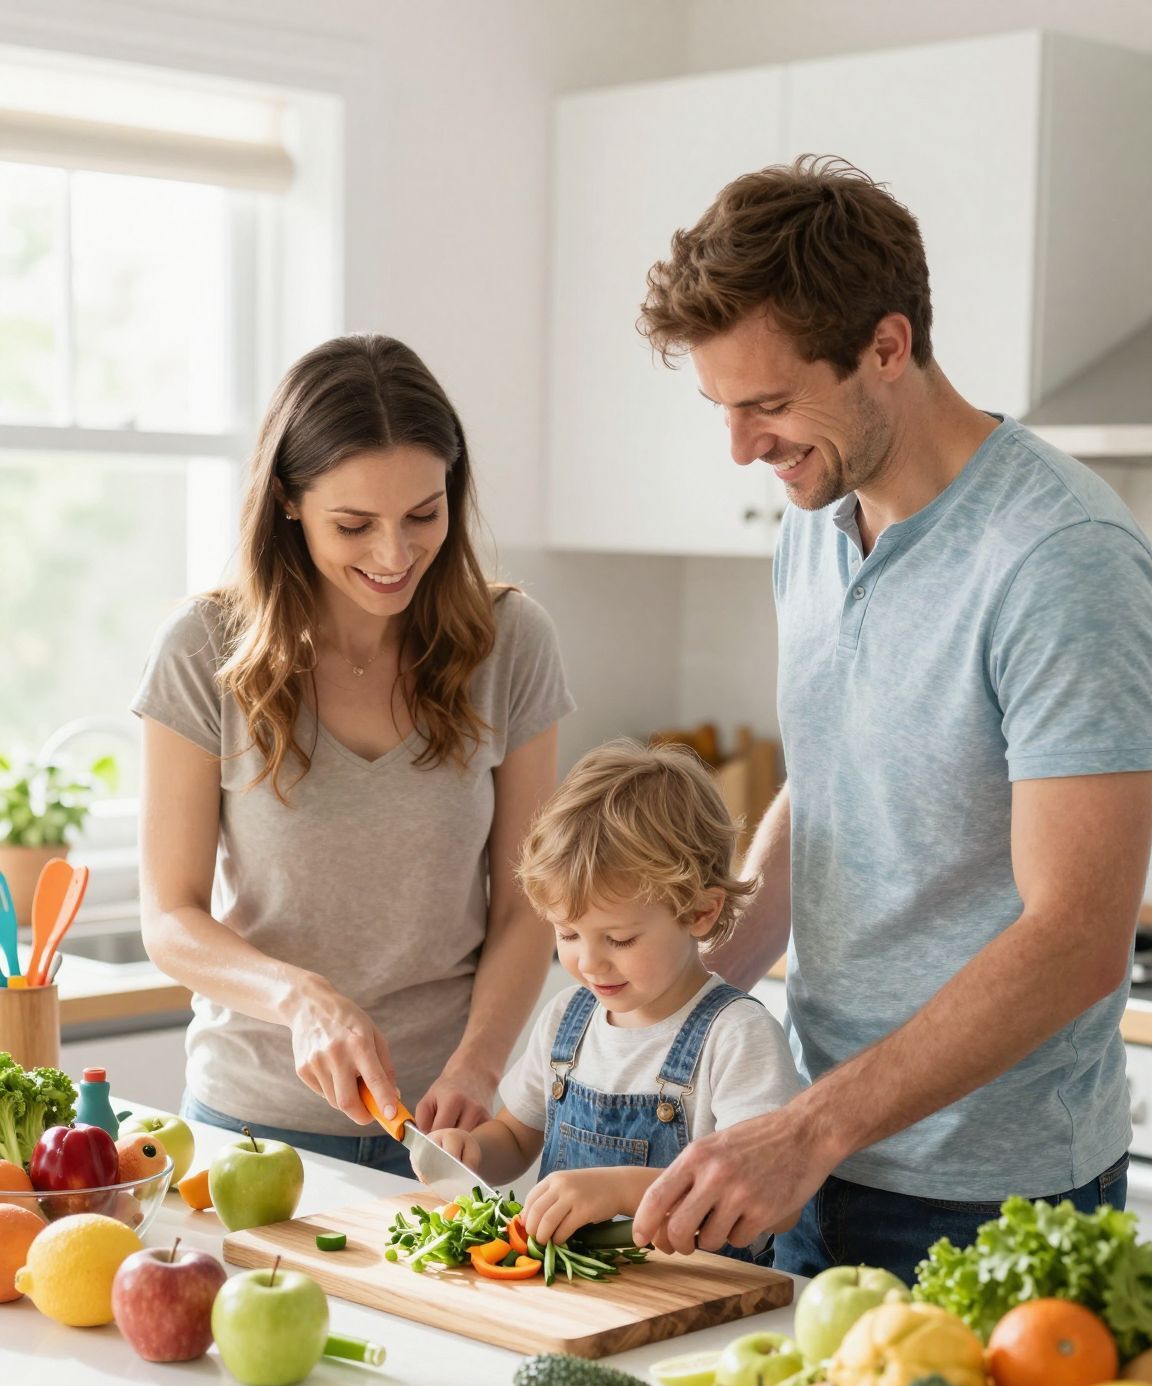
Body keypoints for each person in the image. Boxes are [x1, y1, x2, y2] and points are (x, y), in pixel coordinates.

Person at [629, 157, 1152, 1284]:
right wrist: (690, 976)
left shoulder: (1060, 561)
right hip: (820, 1159)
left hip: (997, 1198)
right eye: (723, 408)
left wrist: (810, 1128)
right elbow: (827, 780)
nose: (742, 447)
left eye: (767, 404)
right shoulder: (812, 524)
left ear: (887, 346)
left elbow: (1077, 937)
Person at [133, 334, 572, 1172]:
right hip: (250, 1129)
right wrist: (300, 999)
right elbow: (171, 917)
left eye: (423, 515)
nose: (394, 554)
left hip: (444, 1133)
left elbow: (527, 904)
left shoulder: (511, 643)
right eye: (354, 524)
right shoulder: (202, 650)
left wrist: (480, 1063)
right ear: (289, 503)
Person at [423, 740, 802, 1256]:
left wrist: (621, 1191)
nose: (590, 962)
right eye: (568, 933)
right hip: (580, 1299)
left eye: (619, 939)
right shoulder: (566, 1021)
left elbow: (764, 1200)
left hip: (698, 1304)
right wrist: (471, 1151)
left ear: (700, 912)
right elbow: (515, 1138)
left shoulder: (737, 1036)